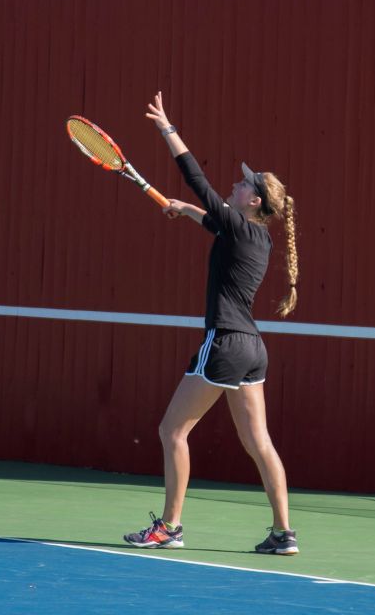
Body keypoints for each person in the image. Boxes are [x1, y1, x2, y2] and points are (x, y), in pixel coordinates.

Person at [123, 91, 300, 555]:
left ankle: (170, 527)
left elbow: (196, 179)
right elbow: (214, 219)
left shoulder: (239, 226)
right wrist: (186, 211)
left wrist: (167, 129)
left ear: (253, 200)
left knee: (172, 431)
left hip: (223, 344)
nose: (235, 185)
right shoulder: (256, 237)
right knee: (259, 440)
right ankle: (284, 534)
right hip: (253, 349)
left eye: (244, 186)